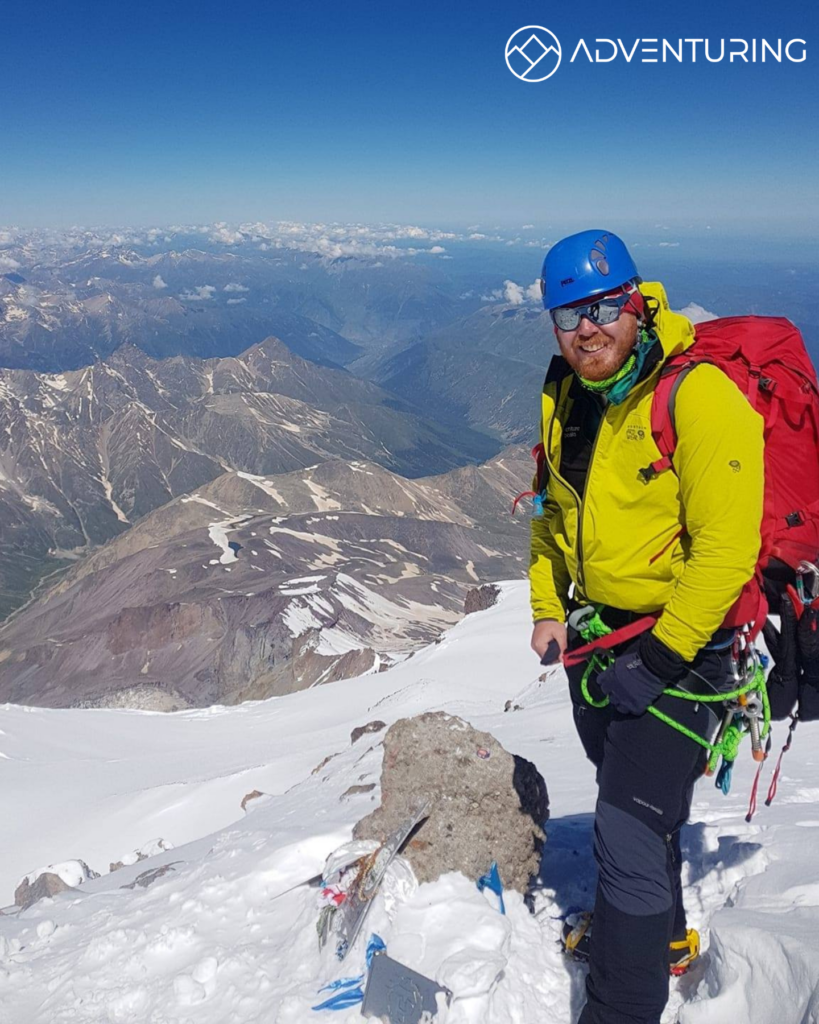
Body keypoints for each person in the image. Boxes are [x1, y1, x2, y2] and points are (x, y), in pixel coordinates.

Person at [528, 230, 765, 1024]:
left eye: (600, 307)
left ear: (635, 300)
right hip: (597, 646)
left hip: (683, 651)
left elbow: (727, 550)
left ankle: (620, 1007)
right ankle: (660, 937)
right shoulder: (565, 394)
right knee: (633, 802)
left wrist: (659, 657)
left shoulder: (696, 396)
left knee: (624, 830)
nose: (585, 329)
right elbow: (549, 515)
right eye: (568, 315)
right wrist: (547, 609)